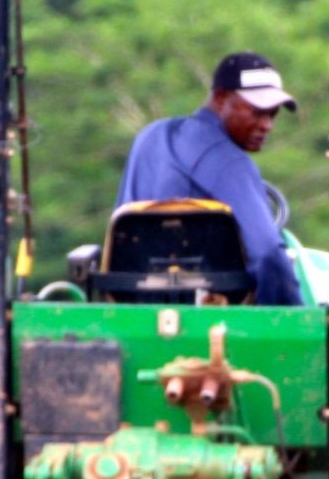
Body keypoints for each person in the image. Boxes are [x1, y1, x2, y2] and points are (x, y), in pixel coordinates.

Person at [116, 51, 305, 306]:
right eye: (258, 112)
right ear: (220, 99)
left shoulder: (149, 136)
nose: (267, 125)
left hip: (131, 302)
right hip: (206, 315)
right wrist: (291, 323)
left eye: (272, 115)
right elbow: (268, 254)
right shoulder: (229, 161)